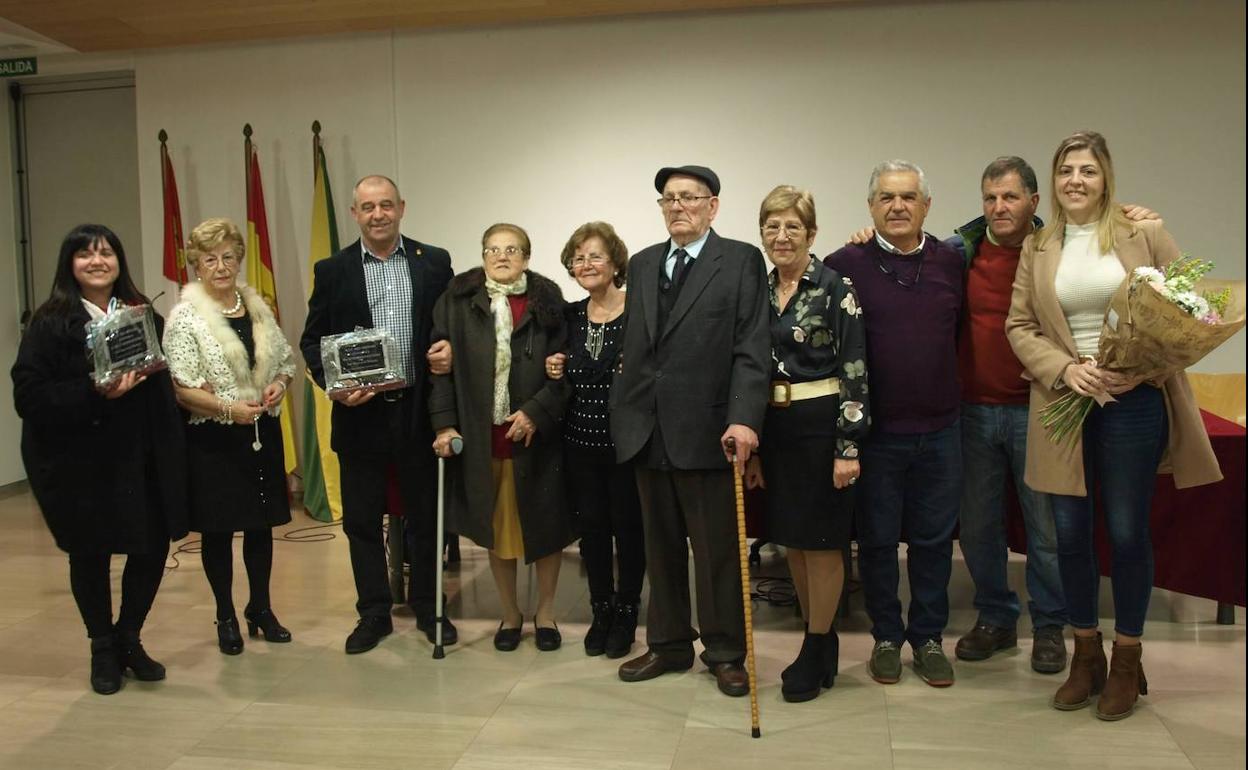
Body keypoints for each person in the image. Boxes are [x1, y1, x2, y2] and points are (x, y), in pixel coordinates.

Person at [849, 160, 1162, 676]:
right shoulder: (957, 255)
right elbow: (901, 252)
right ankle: (995, 616)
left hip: (1040, 408)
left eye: (1011, 197)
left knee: (1046, 529)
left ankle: (1049, 626)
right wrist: (867, 235)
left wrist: (1134, 216)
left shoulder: (1055, 252)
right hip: (970, 411)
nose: (999, 208)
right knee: (977, 528)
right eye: (990, 198)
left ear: (1034, 202)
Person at [1006, 131, 1220, 720]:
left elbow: (1191, 312)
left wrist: (1140, 366)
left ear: (1106, 179)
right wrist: (1067, 368)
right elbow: (1020, 325)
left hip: (1134, 401)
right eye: (1066, 170)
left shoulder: (1142, 232)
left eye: (1089, 171)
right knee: (1068, 536)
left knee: (1127, 533)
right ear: (1053, 181)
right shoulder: (1039, 244)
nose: (1076, 180)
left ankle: (1127, 656)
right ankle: (1085, 655)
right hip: (1063, 401)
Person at [612, 165, 770, 697]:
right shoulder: (642, 263)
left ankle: (726, 651)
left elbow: (752, 347)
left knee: (717, 550)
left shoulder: (741, 260)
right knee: (660, 548)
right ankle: (669, 644)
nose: (677, 206)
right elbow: (639, 350)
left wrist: (745, 417)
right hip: (646, 428)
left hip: (710, 430)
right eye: (668, 198)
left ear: (713, 206)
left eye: (689, 197)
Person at [12, 224, 188, 694]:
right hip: (81, 464)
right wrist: (94, 392)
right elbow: (29, 397)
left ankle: (129, 635)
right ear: (69, 264)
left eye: (106, 252)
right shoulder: (49, 322)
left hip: (141, 458)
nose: (97, 262)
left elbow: (162, 392)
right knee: (90, 555)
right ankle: (101, 647)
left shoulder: (143, 315)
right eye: (85, 255)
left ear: (119, 260)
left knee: (150, 549)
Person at [300, 175, 455, 654]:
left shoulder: (435, 262)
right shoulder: (333, 270)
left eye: (386, 205)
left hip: (418, 412)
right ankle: (373, 613)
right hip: (359, 416)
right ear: (355, 214)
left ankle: (431, 609)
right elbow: (311, 341)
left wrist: (450, 349)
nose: (378, 215)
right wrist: (335, 388)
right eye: (367, 207)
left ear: (401, 208)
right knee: (362, 522)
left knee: (426, 518)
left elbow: (451, 326)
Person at [824, 160, 963, 688]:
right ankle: (885, 635)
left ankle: (927, 639)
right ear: (870, 207)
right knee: (878, 542)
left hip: (943, 429)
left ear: (926, 205)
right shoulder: (844, 264)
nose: (897, 206)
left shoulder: (952, 262)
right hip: (876, 435)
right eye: (886, 198)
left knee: (933, 544)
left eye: (908, 197)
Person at [743, 186, 869, 703]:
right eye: (772, 226)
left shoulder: (836, 286)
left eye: (792, 226)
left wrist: (848, 446)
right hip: (777, 430)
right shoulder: (759, 289)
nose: (781, 236)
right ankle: (819, 639)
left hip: (823, 427)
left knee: (822, 544)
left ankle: (817, 644)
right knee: (792, 539)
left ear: (812, 234)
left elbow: (856, 371)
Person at [430, 223, 574, 651]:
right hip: (481, 437)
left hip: (536, 437)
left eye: (512, 249)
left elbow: (567, 370)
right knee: (498, 530)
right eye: (492, 249)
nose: (501, 256)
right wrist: (443, 423)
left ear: (527, 257)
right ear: (482, 255)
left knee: (544, 527)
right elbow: (438, 368)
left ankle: (545, 614)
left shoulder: (548, 301)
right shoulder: (457, 301)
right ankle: (510, 615)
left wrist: (536, 412)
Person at [163, 218, 296, 654]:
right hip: (214, 440)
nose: (221, 266)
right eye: (210, 259)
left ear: (239, 260)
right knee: (218, 532)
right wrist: (227, 408)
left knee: (260, 528)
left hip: (261, 430)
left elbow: (285, 362)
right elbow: (182, 389)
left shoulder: (256, 306)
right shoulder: (185, 317)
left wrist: (277, 385)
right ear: (196, 266)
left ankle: (261, 607)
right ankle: (225, 613)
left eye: (228, 257)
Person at [546, 222, 646, 659]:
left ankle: (627, 610)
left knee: (629, 530)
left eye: (595, 256)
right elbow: (553, 365)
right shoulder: (568, 317)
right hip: (578, 443)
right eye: (579, 257)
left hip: (626, 445)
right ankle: (600, 609)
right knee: (593, 533)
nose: (586, 264)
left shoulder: (639, 311)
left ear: (615, 263)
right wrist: (553, 364)